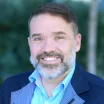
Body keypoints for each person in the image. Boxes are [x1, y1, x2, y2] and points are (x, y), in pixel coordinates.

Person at [0, 2, 104, 104]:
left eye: (59, 37)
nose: (48, 49)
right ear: (30, 43)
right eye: (38, 38)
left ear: (77, 43)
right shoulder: (10, 87)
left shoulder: (100, 94)